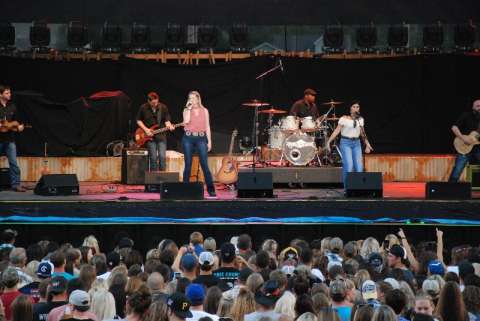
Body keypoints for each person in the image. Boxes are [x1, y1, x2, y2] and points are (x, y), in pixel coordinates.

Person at [326, 101, 373, 190]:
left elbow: (363, 133)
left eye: (357, 107)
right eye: (354, 107)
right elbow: (337, 131)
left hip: (357, 143)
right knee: (349, 165)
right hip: (345, 142)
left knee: (359, 167)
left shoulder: (360, 120)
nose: (356, 108)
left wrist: (367, 144)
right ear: (350, 109)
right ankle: (347, 188)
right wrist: (328, 142)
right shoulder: (344, 118)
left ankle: (358, 188)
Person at [182, 91, 216, 197]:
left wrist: (209, 141)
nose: (191, 100)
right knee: (188, 164)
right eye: (190, 98)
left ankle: (211, 189)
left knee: (204, 164)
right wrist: (188, 108)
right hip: (188, 138)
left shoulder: (205, 110)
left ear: (198, 98)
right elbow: (186, 121)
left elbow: (207, 126)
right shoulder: (186, 110)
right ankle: (185, 189)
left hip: (201, 138)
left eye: (193, 98)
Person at [136, 92, 175, 171]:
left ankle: (162, 180)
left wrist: (170, 126)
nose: (155, 104)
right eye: (153, 103)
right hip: (149, 137)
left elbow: (167, 120)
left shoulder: (163, 107)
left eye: (156, 102)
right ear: (149, 101)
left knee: (162, 157)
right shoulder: (143, 107)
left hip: (161, 136)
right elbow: (138, 120)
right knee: (153, 158)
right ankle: (154, 181)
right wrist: (146, 129)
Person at [0, 85, 26, 192]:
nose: (9, 95)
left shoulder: (12, 106)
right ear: (0, 94)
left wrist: (19, 127)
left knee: (14, 163)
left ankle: (16, 185)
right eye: (7, 93)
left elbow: (16, 123)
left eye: (10, 93)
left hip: (10, 140)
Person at [449, 99, 480, 182]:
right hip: (464, 146)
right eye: (478, 106)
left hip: (478, 147)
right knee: (458, 169)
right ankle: (450, 188)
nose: (479, 108)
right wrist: (463, 139)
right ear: (473, 107)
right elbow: (454, 127)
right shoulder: (466, 115)